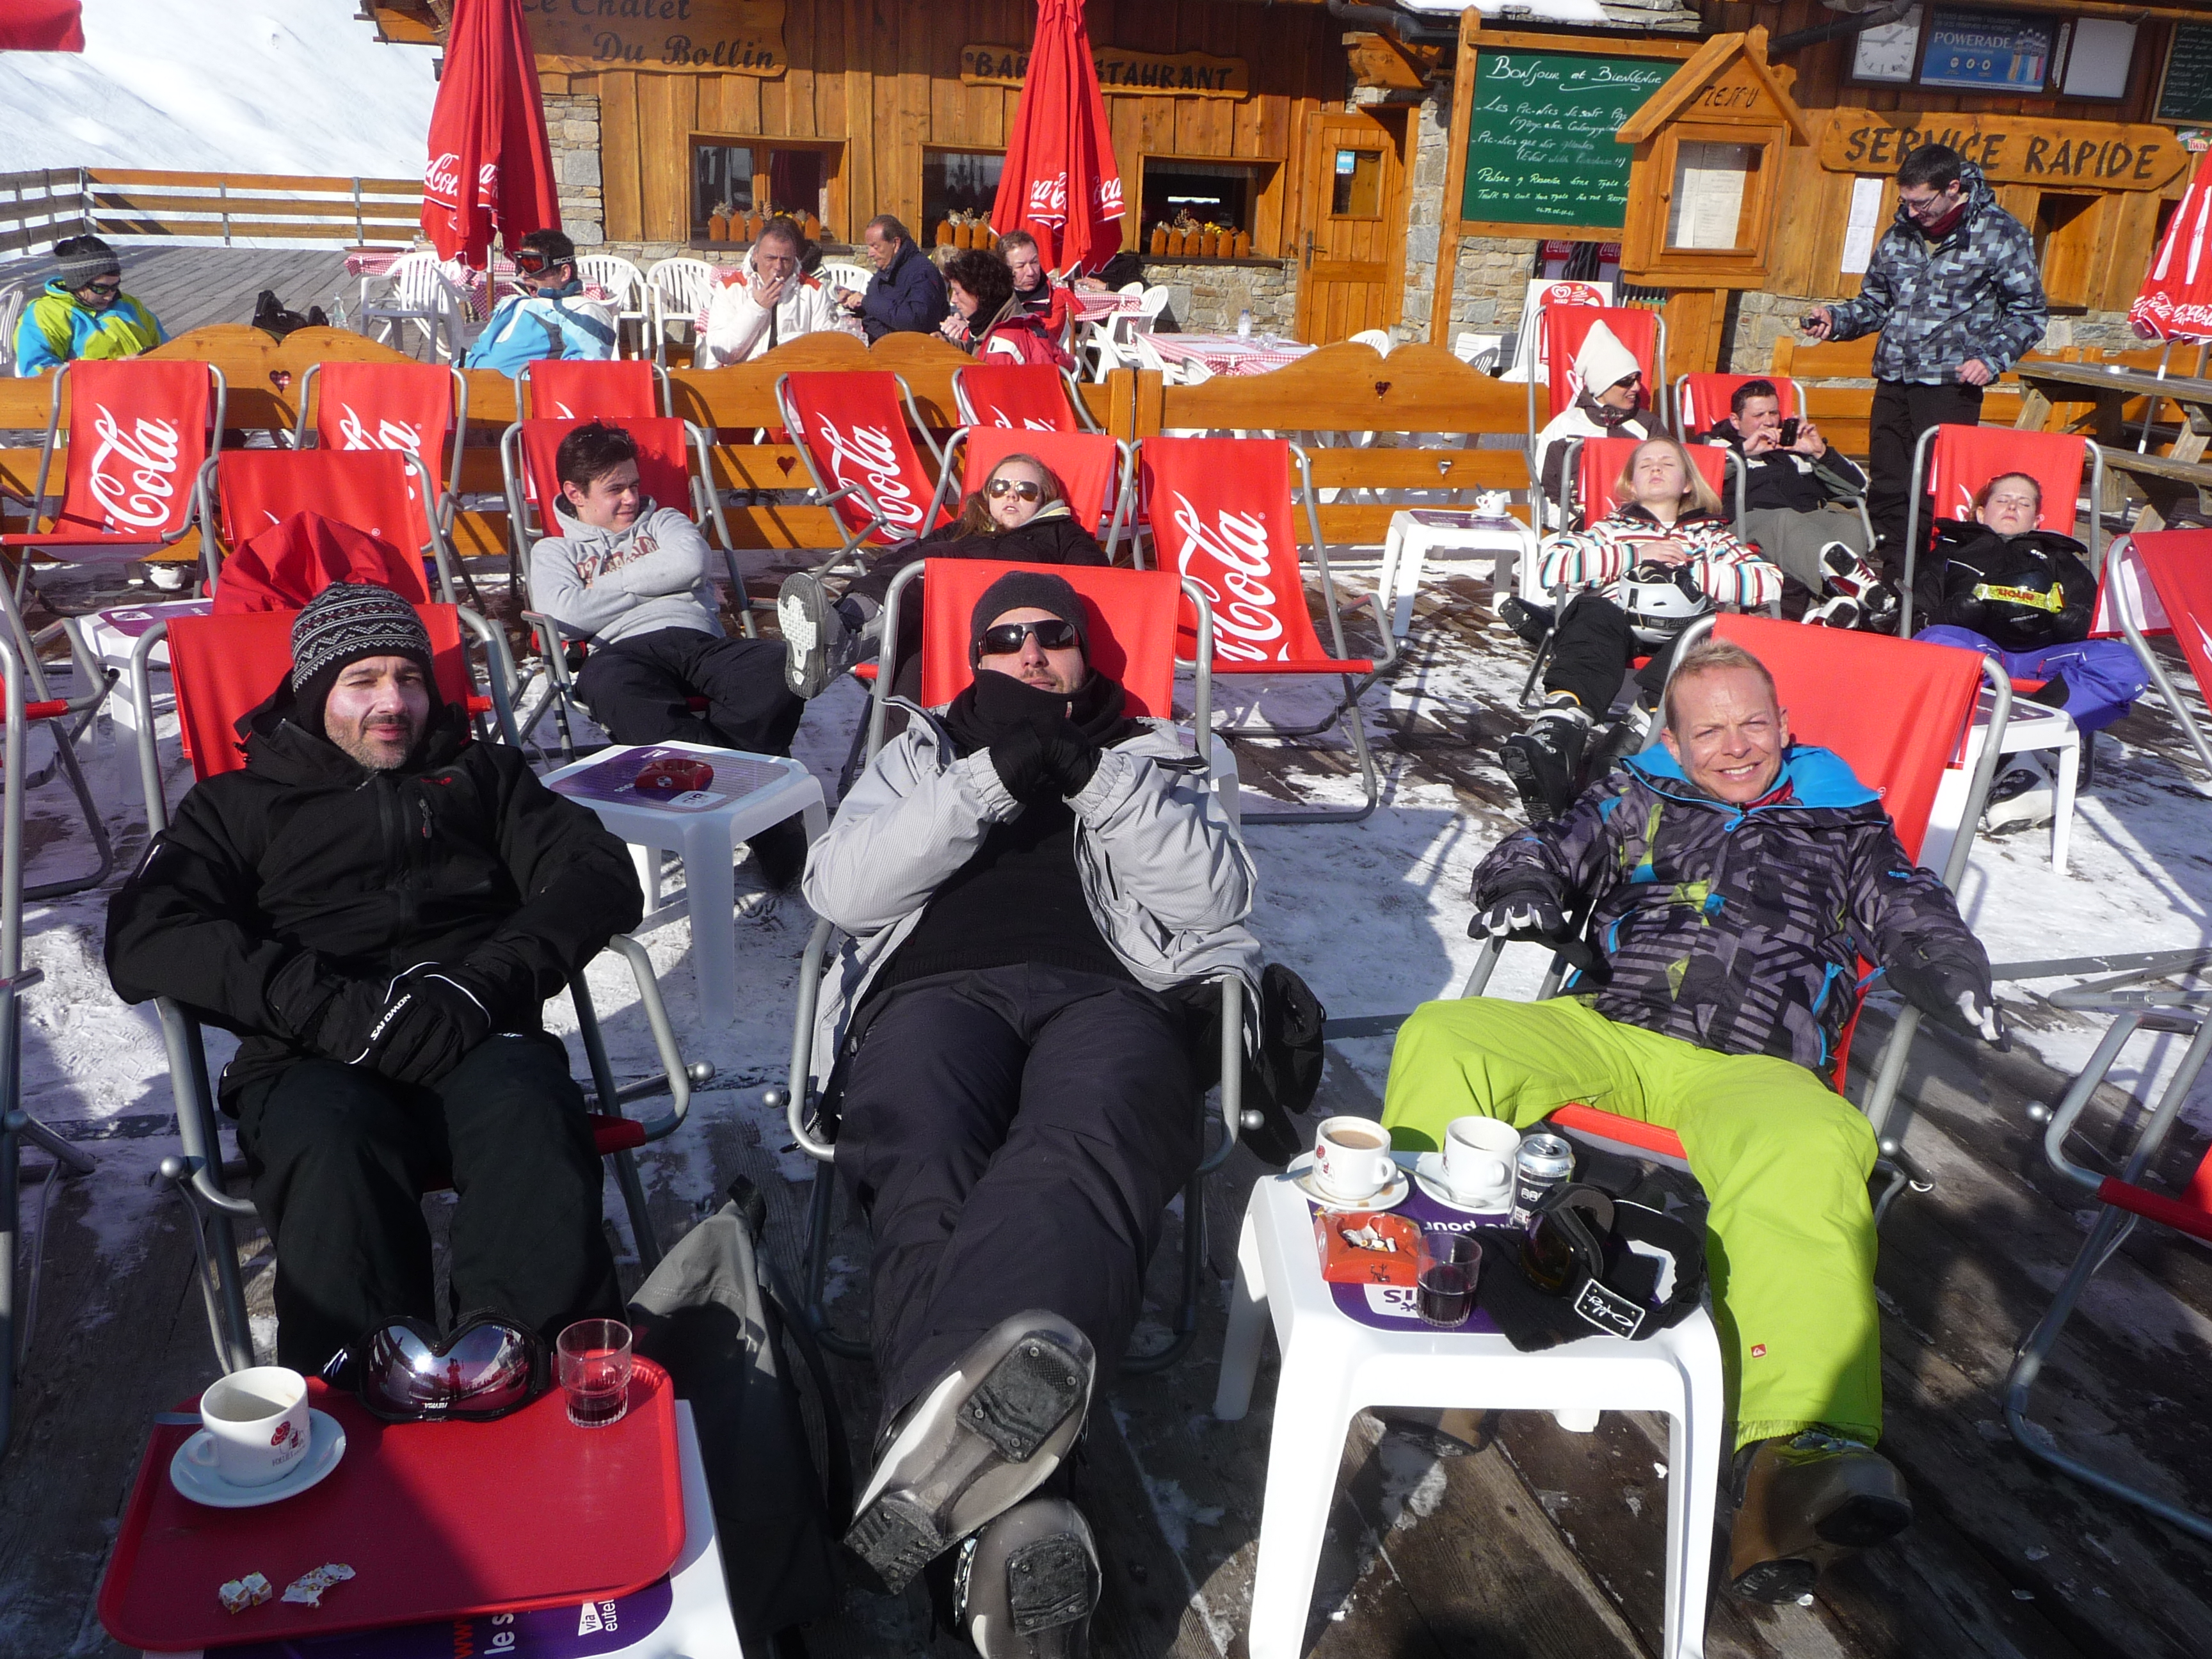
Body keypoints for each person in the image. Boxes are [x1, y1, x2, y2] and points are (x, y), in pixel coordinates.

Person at [1382, 636, 2006, 1605]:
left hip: (1758, 1068)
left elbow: (1909, 907)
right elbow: (1543, 846)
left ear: (1786, 724)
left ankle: (1794, 1468)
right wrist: (1524, 889)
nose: (1736, 746)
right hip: (1612, 1030)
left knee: (1812, 1144)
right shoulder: (1636, 796)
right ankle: (1437, 1317)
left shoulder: (1843, 821)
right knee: (1448, 1036)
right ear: (1672, 740)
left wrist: (1950, 969)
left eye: (1754, 723)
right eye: (1709, 731)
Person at [801, 569, 1260, 1656]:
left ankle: (932, 1469)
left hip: (1114, 995)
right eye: (1004, 639)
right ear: (973, 659)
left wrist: (1093, 776)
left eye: (1054, 634)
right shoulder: (919, 752)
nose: (1032, 653)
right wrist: (988, 780)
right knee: (923, 1151)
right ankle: (1023, 1512)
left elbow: (1217, 896)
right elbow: (842, 890)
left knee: (1080, 1144)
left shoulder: (1156, 752)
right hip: (934, 994)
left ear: (1086, 652)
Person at [103, 584, 641, 1373]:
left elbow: (597, 874)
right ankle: (362, 1385)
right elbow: (148, 932)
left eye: (410, 679)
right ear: (315, 692)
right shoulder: (236, 806)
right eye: (363, 681)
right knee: (330, 1142)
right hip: (310, 1053)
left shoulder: (484, 777)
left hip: (475, 1030)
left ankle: (524, 1366)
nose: (394, 703)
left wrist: (483, 983)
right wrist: (326, 1008)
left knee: (530, 1114)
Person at [529, 420, 816, 879]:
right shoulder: (553, 552)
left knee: (781, 668)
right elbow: (565, 613)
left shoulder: (663, 521)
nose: (631, 498)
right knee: (614, 690)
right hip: (620, 653)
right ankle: (762, 817)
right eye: (615, 489)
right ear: (575, 493)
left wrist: (601, 590)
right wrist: (657, 581)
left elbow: (689, 561)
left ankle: (723, 795)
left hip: (696, 640)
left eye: (634, 484)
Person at [1802, 145, 2046, 592]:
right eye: (1906, 202)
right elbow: (1876, 304)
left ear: (1953, 188)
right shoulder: (1901, 233)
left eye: (1922, 203)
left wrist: (1991, 359)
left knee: (1934, 490)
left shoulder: (2000, 233)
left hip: (1949, 385)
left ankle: (1929, 580)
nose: (1913, 212)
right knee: (1889, 484)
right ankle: (1892, 577)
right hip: (1894, 377)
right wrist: (1837, 321)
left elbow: (2029, 314)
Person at [1499, 437, 1781, 822]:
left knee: (1709, 633)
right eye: (1645, 465)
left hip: (1684, 631)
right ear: (1631, 485)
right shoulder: (1612, 529)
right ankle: (1558, 736)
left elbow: (1769, 582)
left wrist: (1695, 573)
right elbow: (1551, 567)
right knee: (1592, 612)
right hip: (1618, 622)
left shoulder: (1709, 536)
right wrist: (1633, 554)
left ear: (1688, 483)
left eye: (1668, 463)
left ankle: (1625, 743)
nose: (1656, 468)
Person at [775, 451, 1108, 702]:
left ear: (1046, 499)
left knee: (936, 562)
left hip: (1005, 628)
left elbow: (1097, 582)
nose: (1011, 495)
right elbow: (900, 559)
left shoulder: (1061, 532)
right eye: (1000, 487)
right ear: (987, 495)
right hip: (939, 623)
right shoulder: (964, 528)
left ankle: (841, 642)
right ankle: (841, 628)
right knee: (914, 627)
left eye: (1026, 490)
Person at [1918, 471, 2147, 827]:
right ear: (1980, 512)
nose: (2012, 507)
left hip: (2045, 656)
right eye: (2002, 500)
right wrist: (1953, 614)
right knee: (1935, 644)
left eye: (2023, 504)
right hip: (1979, 652)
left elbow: (2095, 616)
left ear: (2037, 520)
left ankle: (2014, 747)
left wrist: (2075, 622)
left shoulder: (2058, 557)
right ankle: (2022, 760)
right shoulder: (1951, 552)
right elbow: (1920, 617)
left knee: (2126, 666)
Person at [1699, 380, 1893, 630]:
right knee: (1786, 519)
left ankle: (1831, 610)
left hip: (1806, 516)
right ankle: (1864, 595)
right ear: (1736, 421)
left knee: (1847, 524)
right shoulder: (1715, 445)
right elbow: (1694, 479)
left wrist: (1819, 452)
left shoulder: (1793, 447)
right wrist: (1742, 451)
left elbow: (1857, 487)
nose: (1769, 422)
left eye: (1774, 413)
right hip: (1749, 521)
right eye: (1759, 415)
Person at [1530, 319, 1654, 523]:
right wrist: (1571, 524)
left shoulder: (1648, 426)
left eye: (1637, 379)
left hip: (1637, 526)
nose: (1636, 387)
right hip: (1574, 527)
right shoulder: (1564, 426)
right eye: (1626, 381)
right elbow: (1543, 493)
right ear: (1602, 385)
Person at [461, 227, 618, 373]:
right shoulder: (513, 304)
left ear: (564, 273)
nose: (523, 275)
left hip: (512, 391)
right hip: (466, 383)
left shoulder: (580, 310)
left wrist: (523, 382)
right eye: (521, 265)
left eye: (533, 265)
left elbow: (583, 375)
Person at [698, 214, 842, 365]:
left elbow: (829, 348)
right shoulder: (730, 288)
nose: (778, 267)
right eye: (771, 258)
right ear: (756, 255)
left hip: (795, 374)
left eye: (785, 260)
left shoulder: (813, 290)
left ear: (795, 258)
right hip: (745, 376)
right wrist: (757, 307)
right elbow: (723, 353)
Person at [13, 234, 165, 374]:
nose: (109, 295)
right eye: (100, 288)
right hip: (90, 393)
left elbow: (166, 346)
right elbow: (38, 371)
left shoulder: (127, 304)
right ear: (77, 283)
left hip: (146, 385)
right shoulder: (46, 314)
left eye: (115, 286)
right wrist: (112, 369)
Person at [940, 248, 1075, 371]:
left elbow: (989, 383)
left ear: (979, 293)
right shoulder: (1005, 323)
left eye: (957, 292)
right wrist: (948, 344)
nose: (953, 299)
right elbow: (979, 351)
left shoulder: (1002, 346)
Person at [835, 214, 950, 342]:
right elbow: (881, 310)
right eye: (869, 247)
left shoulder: (922, 272)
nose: (870, 254)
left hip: (908, 349)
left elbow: (917, 321)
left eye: (876, 247)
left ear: (895, 243)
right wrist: (855, 303)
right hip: (877, 346)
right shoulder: (886, 271)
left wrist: (866, 301)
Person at [998, 230, 1073, 345]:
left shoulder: (1054, 300)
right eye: (1021, 266)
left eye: (1034, 262)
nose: (1031, 272)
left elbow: (1041, 341)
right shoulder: (993, 296)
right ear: (1005, 269)